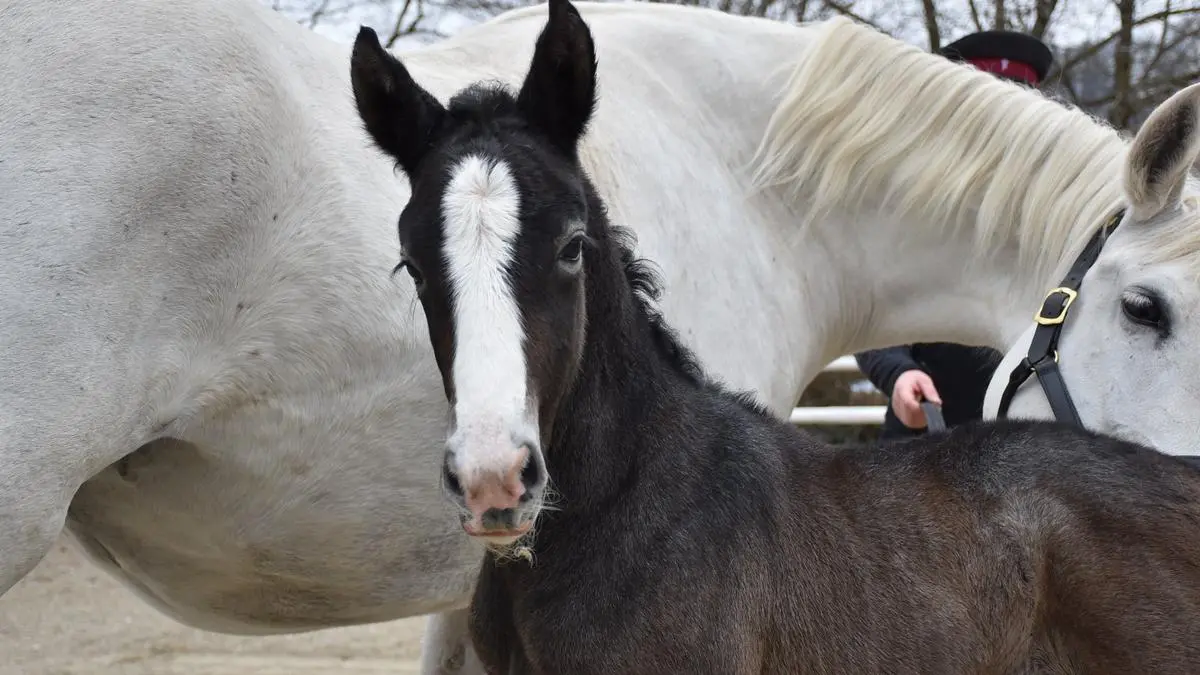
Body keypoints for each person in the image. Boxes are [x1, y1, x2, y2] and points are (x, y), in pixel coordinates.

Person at [854, 29, 1054, 439]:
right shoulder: (910, 209)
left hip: (1035, 457)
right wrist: (899, 373)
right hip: (927, 450)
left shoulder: (1059, 214)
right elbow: (870, 313)